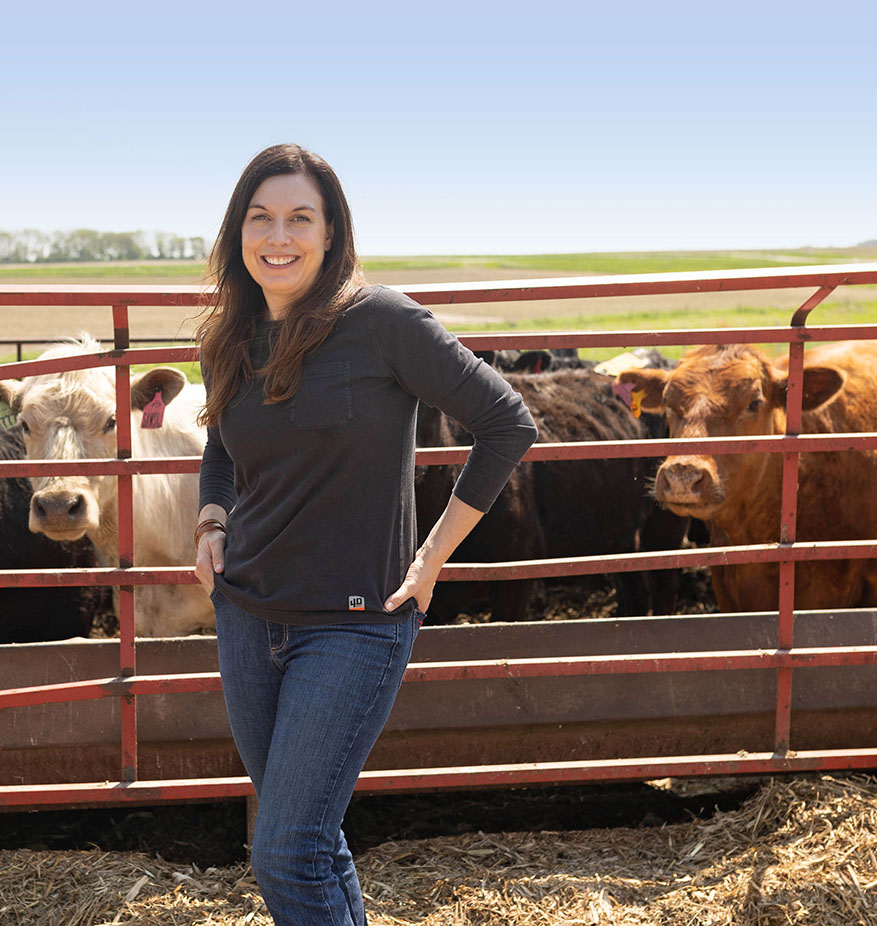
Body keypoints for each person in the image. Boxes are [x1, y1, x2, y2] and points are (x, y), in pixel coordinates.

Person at [193, 143, 538, 926]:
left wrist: (435, 553)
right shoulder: (234, 335)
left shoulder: (382, 322)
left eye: (299, 218)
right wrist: (212, 519)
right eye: (261, 217)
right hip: (246, 615)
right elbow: (221, 439)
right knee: (309, 838)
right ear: (238, 232)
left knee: (285, 850)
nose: (278, 236)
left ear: (330, 231)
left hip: (353, 625)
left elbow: (507, 422)